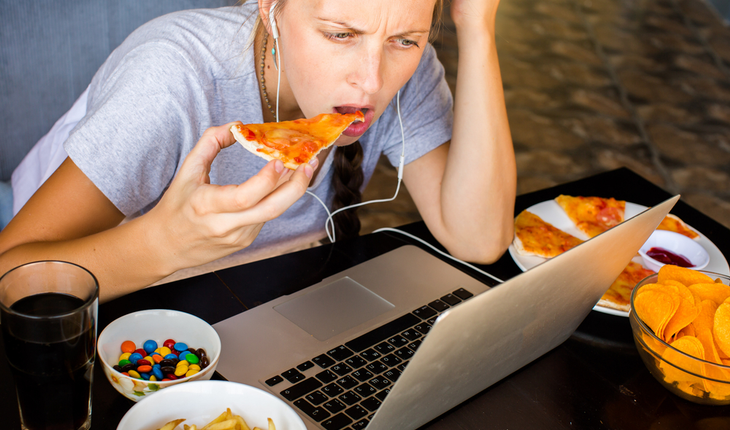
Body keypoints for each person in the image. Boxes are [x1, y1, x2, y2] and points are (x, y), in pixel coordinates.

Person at [0, 0, 515, 302]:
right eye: (340, 35)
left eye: (405, 40)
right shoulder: (171, 78)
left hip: (251, 298)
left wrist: (477, 30)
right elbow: (11, 274)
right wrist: (166, 242)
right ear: (271, 10)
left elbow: (479, 239)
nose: (372, 80)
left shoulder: (411, 72)